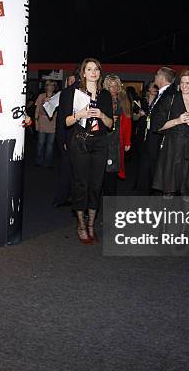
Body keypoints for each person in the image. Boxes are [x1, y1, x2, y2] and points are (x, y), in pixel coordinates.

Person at [61, 58, 113, 244]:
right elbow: (65, 122)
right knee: (81, 183)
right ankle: (81, 225)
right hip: (79, 142)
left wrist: (102, 115)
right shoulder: (72, 93)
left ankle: (91, 224)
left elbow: (110, 124)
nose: (93, 72)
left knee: (96, 184)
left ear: (100, 73)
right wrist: (80, 115)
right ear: (83, 72)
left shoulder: (105, 95)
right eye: (89, 69)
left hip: (100, 143)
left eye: (96, 69)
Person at [151, 68, 189, 196]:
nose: (184, 86)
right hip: (173, 149)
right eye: (182, 82)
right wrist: (177, 120)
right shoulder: (170, 100)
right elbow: (157, 126)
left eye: (188, 83)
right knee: (169, 191)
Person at [136, 68, 176, 195]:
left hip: (160, 140)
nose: (155, 76)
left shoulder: (170, 94)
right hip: (152, 139)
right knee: (149, 171)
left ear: (162, 78)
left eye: (157, 75)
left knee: (158, 175)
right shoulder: (162, 93)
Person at [102, 74, 132, 196]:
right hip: (102, 138)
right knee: (101, 169)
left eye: (115, 86)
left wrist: (127, 141)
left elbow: (128, 121)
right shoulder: (102, 98)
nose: (113, 89)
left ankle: (111, 197)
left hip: (116, 139)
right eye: (110, 86)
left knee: (113, 170)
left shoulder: (123, 99)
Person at [53, 73, 78, 207]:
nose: (73, 82)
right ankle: (62, 197)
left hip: (73, 137)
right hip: (64, 135)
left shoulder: (79, 96)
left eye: (75, 80)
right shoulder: (64, 94)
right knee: (66, 168)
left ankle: (71, 196)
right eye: (71, 81)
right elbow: (61, 119)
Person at [34, 80, 57, 167]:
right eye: (49, 85)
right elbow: (37, 110)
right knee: (40, 143)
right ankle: (38, 161)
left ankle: (47, 163)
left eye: (52, 85)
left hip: (53, 122)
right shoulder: (41, 96)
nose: (51, 87)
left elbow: (58, 111)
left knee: (50, 145)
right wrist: (36, 122)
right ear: (46, 86)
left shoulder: (56, 97)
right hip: (42, 122)